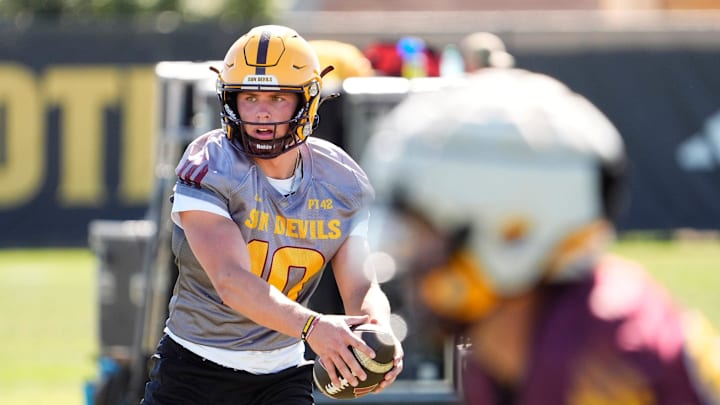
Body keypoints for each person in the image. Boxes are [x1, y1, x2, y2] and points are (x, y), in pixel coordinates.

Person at [361, 68, 720, 404]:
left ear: (512, 231)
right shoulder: (504, 345)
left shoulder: (609, 362)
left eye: (424, 234)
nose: (409, 256)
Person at [142, 25, 403, 405]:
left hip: (282, 375)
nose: (262, 113)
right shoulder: (211, 163)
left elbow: (361, 286)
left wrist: (377, 329)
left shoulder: (341, 179)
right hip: (194, 370)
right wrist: (313, 326)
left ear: (307, 102)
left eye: (278, 97)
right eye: (249, 97)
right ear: (230, 101)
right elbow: (231, 281)